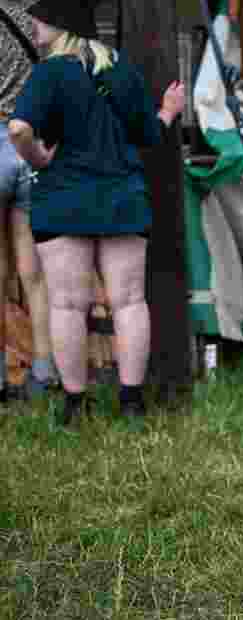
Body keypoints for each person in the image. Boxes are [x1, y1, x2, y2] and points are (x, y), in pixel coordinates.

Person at [7, 0, 186, 424]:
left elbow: (17, 129)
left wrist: (37, 158)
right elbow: (148, 133)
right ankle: (132, 402)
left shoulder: (49, 73)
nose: (34, 23)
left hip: (64, 199)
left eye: (42, 15)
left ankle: (74, 404)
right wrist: (169, 111)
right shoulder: (120, 68)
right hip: (120, 197)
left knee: (67, 305)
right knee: (129, 301)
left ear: (63, 23)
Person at [0, 0, 56, 404]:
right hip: (33, 142)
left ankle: (1, 378)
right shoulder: (42, 17)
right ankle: (42, 372)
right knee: (33, 271)